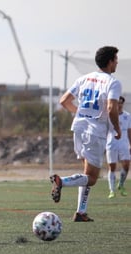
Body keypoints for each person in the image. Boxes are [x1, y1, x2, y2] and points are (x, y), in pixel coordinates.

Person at [51, 46, 122, 222]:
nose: (117, 62)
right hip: (94, 132)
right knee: (92, 178)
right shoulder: (112, 82)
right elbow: (112, 108)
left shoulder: (84, 78)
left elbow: (64, 101)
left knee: (85, 174)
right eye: (116, 59)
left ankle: (81, 212)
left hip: (78, 128)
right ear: (110, 61)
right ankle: (62, 181)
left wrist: (81, 114)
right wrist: (117, 128)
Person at [106, 95, 131, 198]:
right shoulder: (109, 115)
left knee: (126, 165)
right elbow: (104, 130)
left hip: (124, 143)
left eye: (121, 103)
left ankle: (121, 184)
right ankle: (111, 190)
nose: (119, 105)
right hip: (112, 143)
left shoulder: (127, 116)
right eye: (118, 103)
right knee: (112, 167)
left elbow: (129, 131)